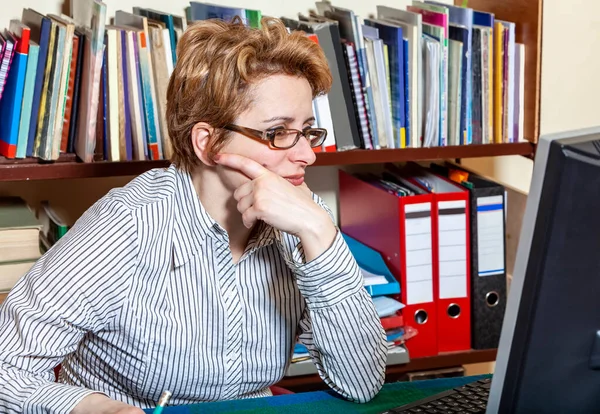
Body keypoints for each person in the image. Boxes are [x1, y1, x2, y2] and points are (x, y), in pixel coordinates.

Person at [0, 17, 387, 413]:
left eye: (307, 131)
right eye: (278, 133)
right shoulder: (127, 225)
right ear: (208, 143)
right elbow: (6, 369)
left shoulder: (301, 216)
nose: (307, 155)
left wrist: (319, 233)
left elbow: (362, 383)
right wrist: (100, 408)